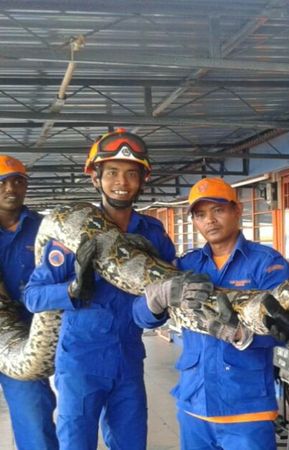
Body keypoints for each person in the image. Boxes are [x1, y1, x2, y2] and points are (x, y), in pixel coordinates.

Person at [25, 130, 176, 450]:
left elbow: (162, 304)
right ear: (96, 179)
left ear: (142, 180)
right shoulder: (71, 232)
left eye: (131, 173)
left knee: (131, 443)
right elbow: (33, 296)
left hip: (129, 360)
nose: (122, 181)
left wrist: (156, 309)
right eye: (112, 173)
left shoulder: (153, 233)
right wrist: (71, 291)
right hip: (80, 363)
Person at [132, 177, 289, 450]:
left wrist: (244, 335)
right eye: (201, 214)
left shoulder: (266, 264)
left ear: (237, 211)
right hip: (194, 404)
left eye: (218, 210)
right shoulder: (185, 265)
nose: (210, 220)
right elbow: (140, 317)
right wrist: (154, 301)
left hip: (246, 407)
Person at [0, 155, 58, 450]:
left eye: (18, 181)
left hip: (31, 335)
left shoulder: (46, 228)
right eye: (2, 182)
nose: (10, 188)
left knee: (34, 416)